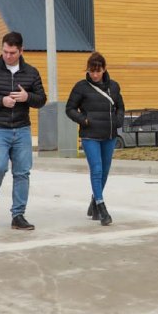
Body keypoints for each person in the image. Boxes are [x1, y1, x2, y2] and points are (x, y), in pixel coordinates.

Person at [0, 31, 47, 230]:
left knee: (22, 172)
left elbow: (41, 99)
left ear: (21, 51)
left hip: (21, 129)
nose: (7, 56)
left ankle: (18, 215)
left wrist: (27, 97)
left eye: (12, 53)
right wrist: (0, 101)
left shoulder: (31, 72)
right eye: (5, 51)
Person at [65, 52, 125, 225]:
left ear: (104, 69)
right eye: (92, 71)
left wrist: (118, 120)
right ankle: (101, 206)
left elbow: (120, 106)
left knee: (105, 171)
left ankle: (94, 201)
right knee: (96, 169)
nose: (95, 74)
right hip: (90, 135)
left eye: (98, 71)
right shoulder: (81, 87)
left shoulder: (114, 86)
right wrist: (83, 120)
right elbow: (69, 109)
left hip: (109, 134)